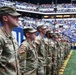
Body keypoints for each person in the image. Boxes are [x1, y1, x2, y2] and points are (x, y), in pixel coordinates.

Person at [0, 6, 21, 75]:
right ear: (5, 18)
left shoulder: (12, 37)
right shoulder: (1, 36)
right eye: (14, 16)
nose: (17, 19)